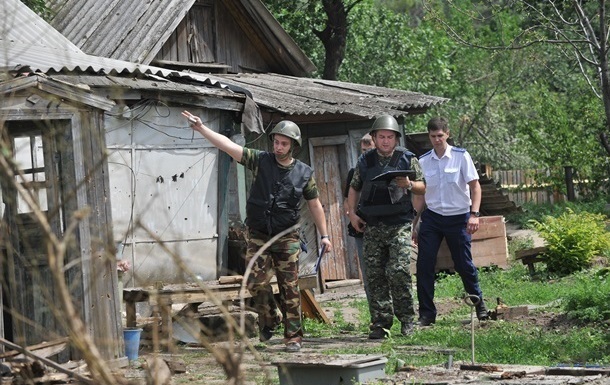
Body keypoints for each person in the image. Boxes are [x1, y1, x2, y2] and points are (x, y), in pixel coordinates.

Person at [182, 111, 332, 352]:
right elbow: (229, 146)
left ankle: (293, 337)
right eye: (276, 142)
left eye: (284, 143)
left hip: (287, 237)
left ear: (293, 145)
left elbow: (315, 204)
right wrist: (202, 129)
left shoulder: (304, 174)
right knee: (254, 282)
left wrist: (324, 235)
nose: (278, 147)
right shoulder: (261, 160)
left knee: (289, 287)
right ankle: (271, 316)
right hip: (259, 234)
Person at [346, 115, 425, 339]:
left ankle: (408, 319)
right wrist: (352, 214)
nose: (386, 141)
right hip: (372, 225)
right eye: (381, 137)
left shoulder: (407, 159)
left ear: (396, 138)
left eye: (390, 137)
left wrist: (409, 184)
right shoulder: (365, 161)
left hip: (399, 224)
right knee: (375, 275)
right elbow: (354, 188)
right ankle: (381, 322)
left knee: (399, 271)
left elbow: (422, 187)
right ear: (374, 137)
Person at [412, 116, 488, 326]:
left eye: (440, 136)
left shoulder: (461, 156)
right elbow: (419, 195)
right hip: (433, 217)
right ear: (429, 136)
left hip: (459, 216)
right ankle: (427, 314)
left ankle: (479, 304)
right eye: (433, 136)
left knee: (464, 264)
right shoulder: (424, 161)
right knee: (424, 265)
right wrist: (414, 223)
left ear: (448, 134)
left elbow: (475, 187)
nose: (437, 140)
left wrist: (474, 214)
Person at [343, 134, 375, 297]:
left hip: (383, 227)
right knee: (368, 272)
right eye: (363, 150)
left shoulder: (386, 170)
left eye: (369, 150)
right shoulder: (354, 172)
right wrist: (353, 217)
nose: (365, 154)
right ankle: (374, 313)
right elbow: (347, 202)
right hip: (361, 228)